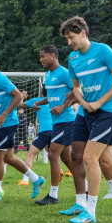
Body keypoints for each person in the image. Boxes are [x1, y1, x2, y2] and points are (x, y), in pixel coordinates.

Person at [60, 16, 112, 223]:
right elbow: (76, 87)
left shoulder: (103, 50)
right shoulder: (73, 59)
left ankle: (90, 211)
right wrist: (83, 102)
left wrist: (99, 102)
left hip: (108, 112)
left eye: (71, 37)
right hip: (87, 113)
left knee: (90, 157)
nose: (69, 43)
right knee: (107, 160)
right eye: (67, 39)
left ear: (82, 33)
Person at [0, 53, 44, 202]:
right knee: (9, 158)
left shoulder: (1, 79)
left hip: (8, 122)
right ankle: (36, 179)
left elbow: (17, 96)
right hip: (0, 123)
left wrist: (4, 114)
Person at [33, 45, 77, 206]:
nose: (41, 59)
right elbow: (52, 97)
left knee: (52, 155)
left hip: (66, 121)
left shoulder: (65, 73)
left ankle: (53, 195)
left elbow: (79, 93)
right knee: (66, 157)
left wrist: (63, 107)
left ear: (52, 56)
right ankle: (84, 187)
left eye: (42, 56)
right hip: (56, 122)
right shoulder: (47, 76)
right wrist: (40, 101)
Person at [17, 95, 51, 188]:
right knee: (52, 153)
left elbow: (19, 104)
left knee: (30, 154)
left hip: (45, 132)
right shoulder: (54, 99)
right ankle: (60, 171)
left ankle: (25, 180)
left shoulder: (36, 100)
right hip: (56, 130)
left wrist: (21, 96)